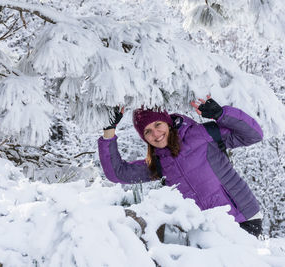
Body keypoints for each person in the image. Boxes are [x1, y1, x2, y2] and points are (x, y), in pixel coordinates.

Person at [98, 96, 264, 237]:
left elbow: (253, 135)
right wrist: (109, 130)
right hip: (206, 231)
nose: (155, 134)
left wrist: (221, 114)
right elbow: (118, 173)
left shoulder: (203, 134)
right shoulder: (159, 162)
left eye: (157, 125)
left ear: (168, 123)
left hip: (242, 218)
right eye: (147, 131)